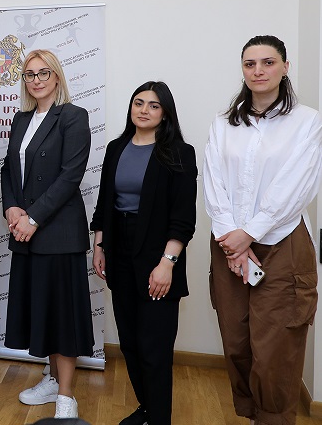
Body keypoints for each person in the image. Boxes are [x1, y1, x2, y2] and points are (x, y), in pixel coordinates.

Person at [204, 35, 322, 425]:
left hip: (282, 244)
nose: (258, 71)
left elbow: (295, 185)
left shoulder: (307, 121)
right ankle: (254, 416)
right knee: (237, 343)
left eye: (268, 62)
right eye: (250, 63)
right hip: (228, 244)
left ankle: (272, 419)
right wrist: (232, 239)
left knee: (275, 352)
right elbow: (214, 182)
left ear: (285, 67)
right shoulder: (223, 123)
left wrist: (249, 235)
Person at [91, 82, 197, 425]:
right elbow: (104, 203)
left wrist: (167, 264)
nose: (144, 110)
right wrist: (100, 246)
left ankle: (159, 419)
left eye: (153, 105)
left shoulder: (179, 153)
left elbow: (183, 219)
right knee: (130, 343)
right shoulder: (116, 148)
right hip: (118, 249)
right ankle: (148, 408)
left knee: (154, 348)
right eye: (139, 103)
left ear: (165, 113)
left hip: (158, 252)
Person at [1, 49, 93, 419]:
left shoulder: (73, 116)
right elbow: (8, 169)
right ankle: (52, 379)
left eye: (44, 73)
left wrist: (33, 218)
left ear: (56, 77)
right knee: (42, 310)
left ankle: (66, 397)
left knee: (62, 317)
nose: (36, 80)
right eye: (29, 74)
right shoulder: (21, 119)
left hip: (57, 233)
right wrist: (11, 207)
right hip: (26, 231)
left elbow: (71, 176)